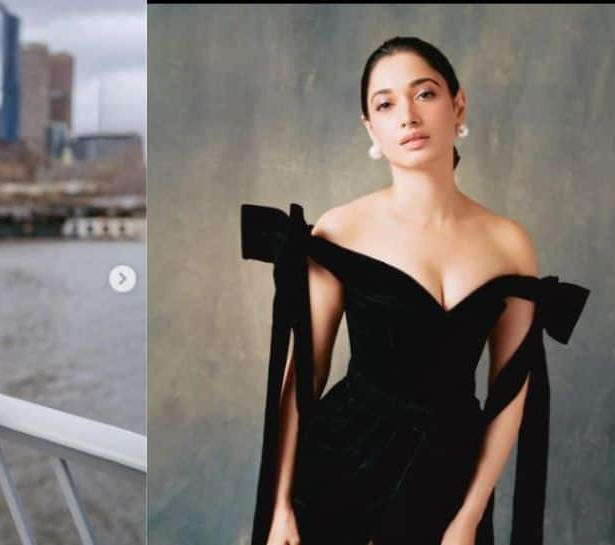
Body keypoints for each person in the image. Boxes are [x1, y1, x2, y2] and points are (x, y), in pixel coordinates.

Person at [241, 37, 590, 545]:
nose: (407, 115)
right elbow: (303, 380)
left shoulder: (509, 242)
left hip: (451, 475)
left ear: (458, 104)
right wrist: (278, 509)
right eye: (385, 104)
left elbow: (511, 391)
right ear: (371, 129)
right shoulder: (341, 229)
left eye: (424, 94)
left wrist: (469, 517)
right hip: (342, 463)